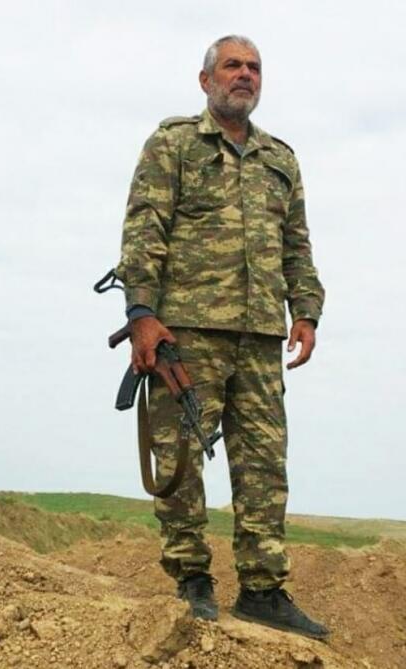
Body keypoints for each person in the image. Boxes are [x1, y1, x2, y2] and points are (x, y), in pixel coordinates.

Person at [116, 35, 328, 639]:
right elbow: (144, 229)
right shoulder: (174, 144)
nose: (245, 75)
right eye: (233, 66)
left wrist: (306, 311)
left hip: (261, 336)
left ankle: (262, 590)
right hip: (186, 332)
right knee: (180, 458)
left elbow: (297, 245)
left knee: (264, 466)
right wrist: (141, 314)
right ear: (206, 80)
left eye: (254, 68)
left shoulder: (280, 160)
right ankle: (191, 579)